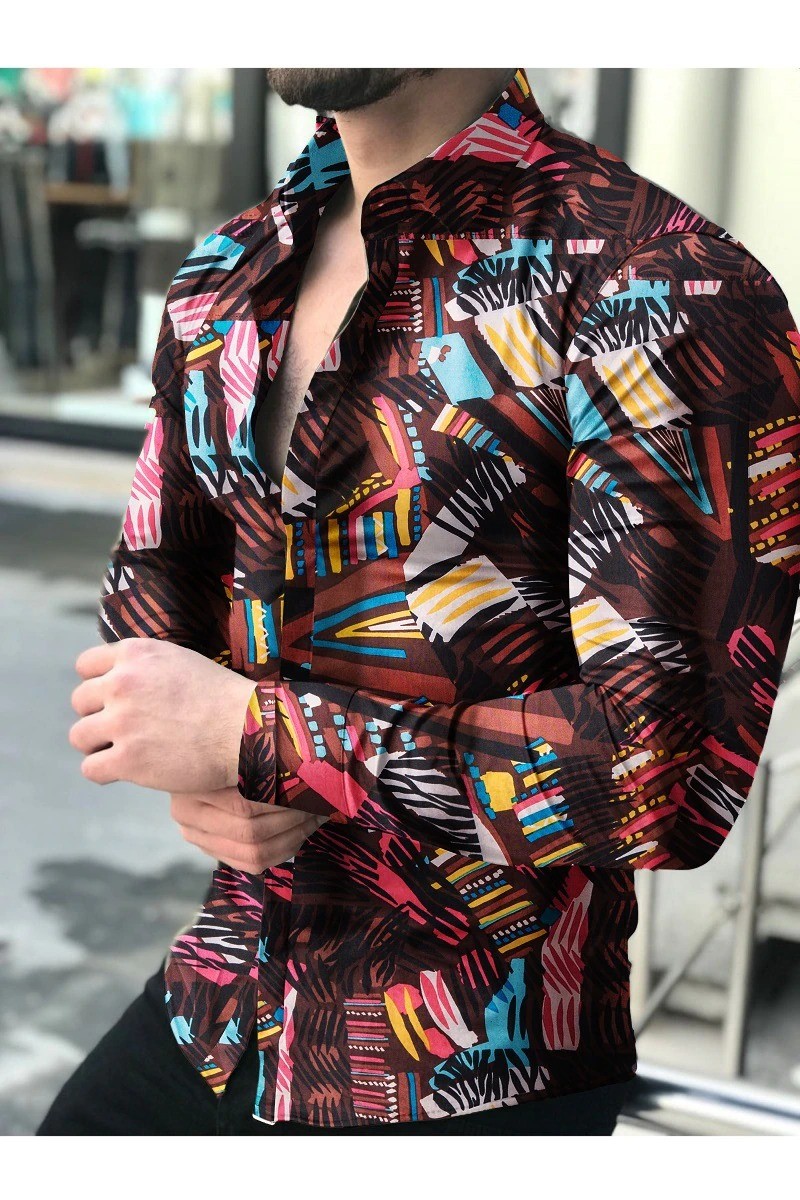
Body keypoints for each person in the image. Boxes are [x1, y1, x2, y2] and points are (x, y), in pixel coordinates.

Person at [39, 66, 800, 1136]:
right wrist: (199, 751)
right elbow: (150, 611)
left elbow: (662, 775)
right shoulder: (227, 271)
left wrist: (263, 737)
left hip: (477, 1062)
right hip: (225, 1001)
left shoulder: (662, 284)